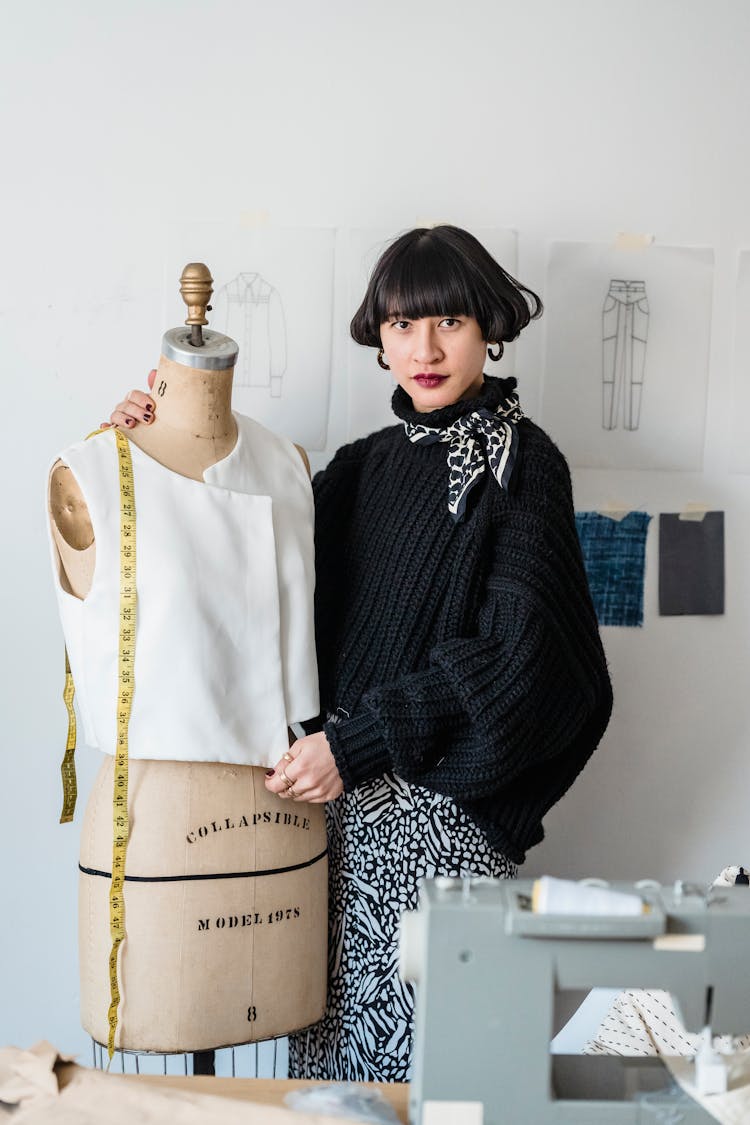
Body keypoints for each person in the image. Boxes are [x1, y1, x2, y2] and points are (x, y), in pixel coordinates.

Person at [109, 225, 613, 1082]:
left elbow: (527, 658)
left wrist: (361, 740)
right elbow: (241, 557)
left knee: (423, 1081)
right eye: (402, 324)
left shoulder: (522, 464)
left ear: (488, 325)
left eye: (448, 321)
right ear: (378, 337)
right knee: (325, 1083)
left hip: (438, 831)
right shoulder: (364, 466)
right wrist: (150, 445)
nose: (424, 347)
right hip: (324, 825)